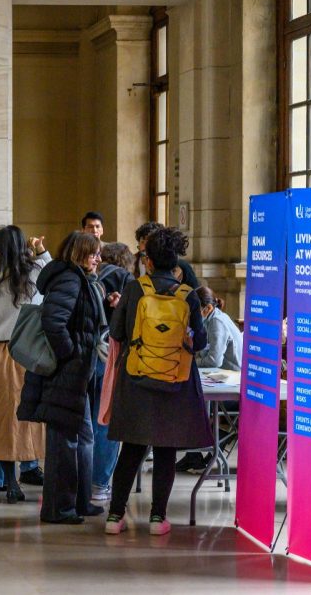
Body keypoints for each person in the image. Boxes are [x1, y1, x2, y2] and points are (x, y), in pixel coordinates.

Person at [105, 227, 212, 536]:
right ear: (175, 263)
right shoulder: (187, 295)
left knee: (131, 450)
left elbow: (117, 332)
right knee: (165, 451)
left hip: (137, 379)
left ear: (148, 261)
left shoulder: (134, 289)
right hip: (175, 382)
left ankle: (115, 516)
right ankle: (157, 518)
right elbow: (200, 341)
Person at [19, 231, 105, 524]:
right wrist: (69, 354)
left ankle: (79, 501)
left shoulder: (80, 279)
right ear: (80, 254)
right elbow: (54, 322)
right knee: (63, 442)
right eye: (94, 253)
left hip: (77, 373)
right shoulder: (69, 279)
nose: (98, 259)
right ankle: (58, 508)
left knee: (82, 438)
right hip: (66, 372)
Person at [0, 227, 50, 504]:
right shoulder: (37, 271)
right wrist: (41, 251)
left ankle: (10, 481)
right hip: (31, 350)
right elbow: (50, 283)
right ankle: (32, 466)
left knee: (2, 416)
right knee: (32, 414)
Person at [89, 242, 135, 502]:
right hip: (112, 357)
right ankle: (100, 482)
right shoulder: (126, 279)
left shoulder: (90, 276)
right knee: (106, 420)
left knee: (87, 419)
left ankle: (83, 479)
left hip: (89, 355)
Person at [135, 222, 199, 288]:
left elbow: (195, 290)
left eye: (149, 241)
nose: (146, 246)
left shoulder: (181, 266)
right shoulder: (132, 261)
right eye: (142, 242)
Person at [195, 286, 242, 371]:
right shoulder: (208, 319)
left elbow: (214, 361)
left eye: (195, 310)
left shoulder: (217, 321)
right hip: (220, 371)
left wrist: (192, 362)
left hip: (232, 373)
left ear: (208, 308)